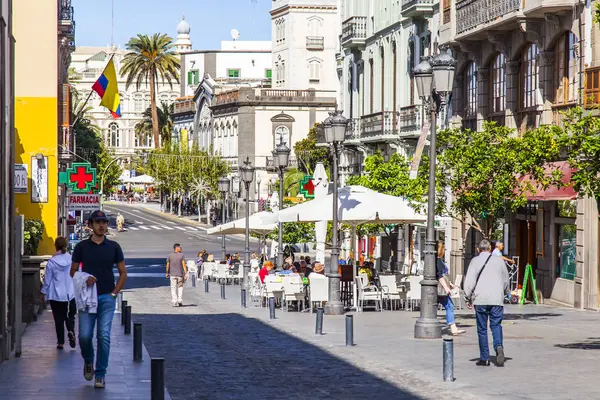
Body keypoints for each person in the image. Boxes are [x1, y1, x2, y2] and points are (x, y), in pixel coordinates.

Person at [70, 210, 127, 389]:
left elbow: (123, 272)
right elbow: (72, 272)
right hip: (87, 298)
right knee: (85, 336)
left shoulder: (114, 247)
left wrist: (114, 293)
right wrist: (84, 278)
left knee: (104, 336)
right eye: (98, 222)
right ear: (90, 225)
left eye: (104, 222)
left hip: (106, 298)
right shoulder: (81, 247)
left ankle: (100, 374)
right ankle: (88, 360)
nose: (102, 225)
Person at [463, 239, 510, 367]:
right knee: (496, 325)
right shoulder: (500, 261)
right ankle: (499, 346)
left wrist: (467, 297)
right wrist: (506, 292)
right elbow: (506, 280)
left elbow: (469, 282)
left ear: (478, 250)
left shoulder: (474, 261)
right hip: (496, 299)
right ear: (490, 249)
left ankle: (485, 358)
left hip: (480, 299)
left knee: (482, 329)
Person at [41, 237, 77, 350]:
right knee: (70, 316)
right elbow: (76, 275)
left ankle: (60, 342)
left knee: (58, 319)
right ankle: (71, 330)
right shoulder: (71, 259)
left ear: (55, 246)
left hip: (56, 295)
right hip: (70, 294)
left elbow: (47, 280)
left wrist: (43, 293)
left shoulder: (52, 262)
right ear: (66, 245)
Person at [436, 241, 465, 336]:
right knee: (450, 306)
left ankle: (452, 327)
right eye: (443, 248)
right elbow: (440, 276)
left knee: (443, 306)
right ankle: (453, 328)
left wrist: (450, 283)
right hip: (441, 289)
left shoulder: (436, 260)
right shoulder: (438, 261)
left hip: (438, 288)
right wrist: (446, 287)